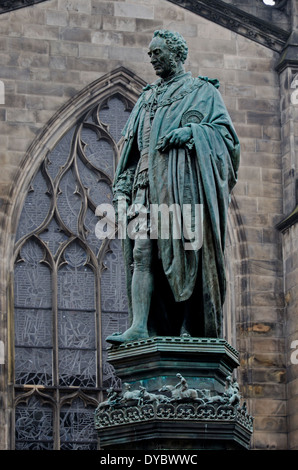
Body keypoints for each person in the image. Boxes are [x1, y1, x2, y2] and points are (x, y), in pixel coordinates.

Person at [106, 30, 240, 344]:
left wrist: (192, 133)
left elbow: (227, 140)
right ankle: (140, 325)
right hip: (144, 187)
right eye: (150, 53)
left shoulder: (202, 91)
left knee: (185, 255)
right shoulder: (146, 98)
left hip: (181, 190)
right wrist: (121, 191)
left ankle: (188, 327)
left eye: (157, 52)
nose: (151, 58)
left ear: (176, 53)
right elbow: (130, 154)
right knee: (142, 253)